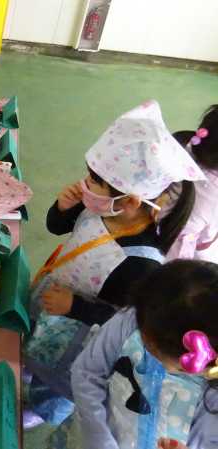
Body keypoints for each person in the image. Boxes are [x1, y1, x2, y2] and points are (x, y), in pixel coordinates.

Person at [22, 100, 205, 427]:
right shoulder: (102, 207)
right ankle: (30, 366)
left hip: (77, 335)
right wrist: (62, 208)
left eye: (95, 180)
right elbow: (57, 227)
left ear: (131, 201)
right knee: (34, 343)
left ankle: (43, 410)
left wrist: (75, 306)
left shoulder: (141, 265)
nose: (85, 184)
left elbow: (127, 322)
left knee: (57, 380)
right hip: (53, 301)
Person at [61, 260, 218, 449]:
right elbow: (87, 372)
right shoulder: (137, 316)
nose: (141, 337)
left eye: (148, 341)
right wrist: (97, 434)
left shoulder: (211, 401)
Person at [168, 105, 218, 262]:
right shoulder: (214, 200)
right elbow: (204, 243)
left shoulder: (178, 144)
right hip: (171, 257)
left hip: (135, 225)